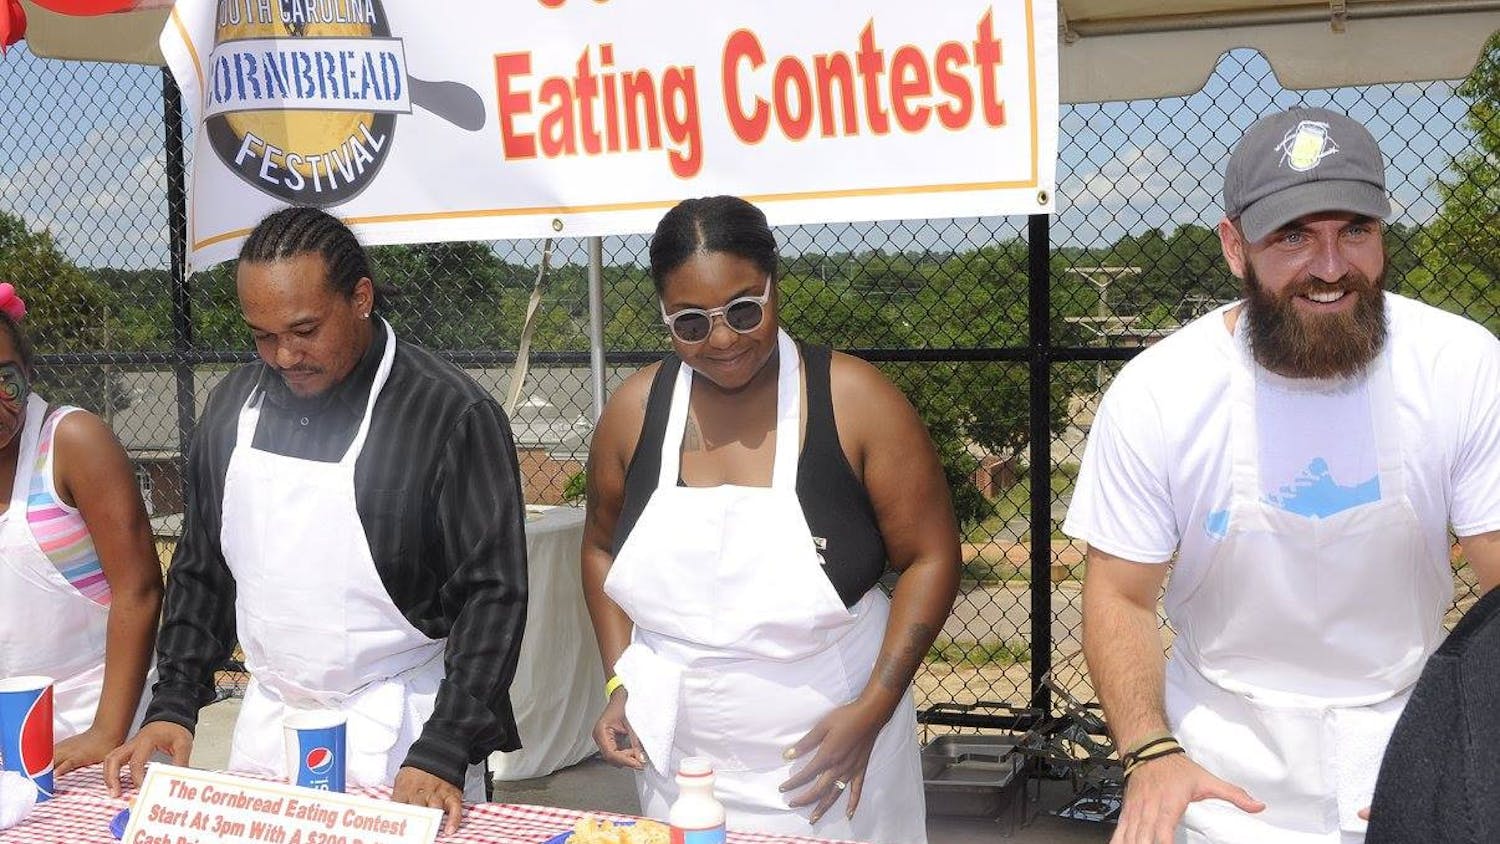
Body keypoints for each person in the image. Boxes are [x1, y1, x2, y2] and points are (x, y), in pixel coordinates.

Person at [1064, 105, 1500, 843]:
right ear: (1234, 247)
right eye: (1293, 236)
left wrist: (1474, 756)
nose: (1330, 267)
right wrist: (1150, 751)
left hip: (1408, 738)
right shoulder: (1159, 391)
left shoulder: (1462, 365)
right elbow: (1120, 595)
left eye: (1354, 231)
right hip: (1218, 767)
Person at [103, 207, 529, 833]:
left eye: (304, 330)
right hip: (269, 726)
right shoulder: (230, 408)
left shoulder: (450, 413)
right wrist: (173, 703)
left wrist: (446, 745)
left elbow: (494, 597)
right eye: (262, 336)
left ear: (360, 298)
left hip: (403, 737)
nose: (283, 356)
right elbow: (202, 571)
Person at [581, 195, 959, 843]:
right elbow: (599, 551)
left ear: (775, 284)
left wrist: (872, 710)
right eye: (691, 323)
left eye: (744, 309)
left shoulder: (854, 398)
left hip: (830, 762)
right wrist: (625, 679)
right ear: (663, 316)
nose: (723, 339)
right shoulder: (635, 410)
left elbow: (932, 557)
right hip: (681, 770)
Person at [0, 282, 163, 779]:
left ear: (28, 372)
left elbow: (139, 589)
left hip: (95, 721)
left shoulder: (71, 442)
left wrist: (106, 732)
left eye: (4, 379)